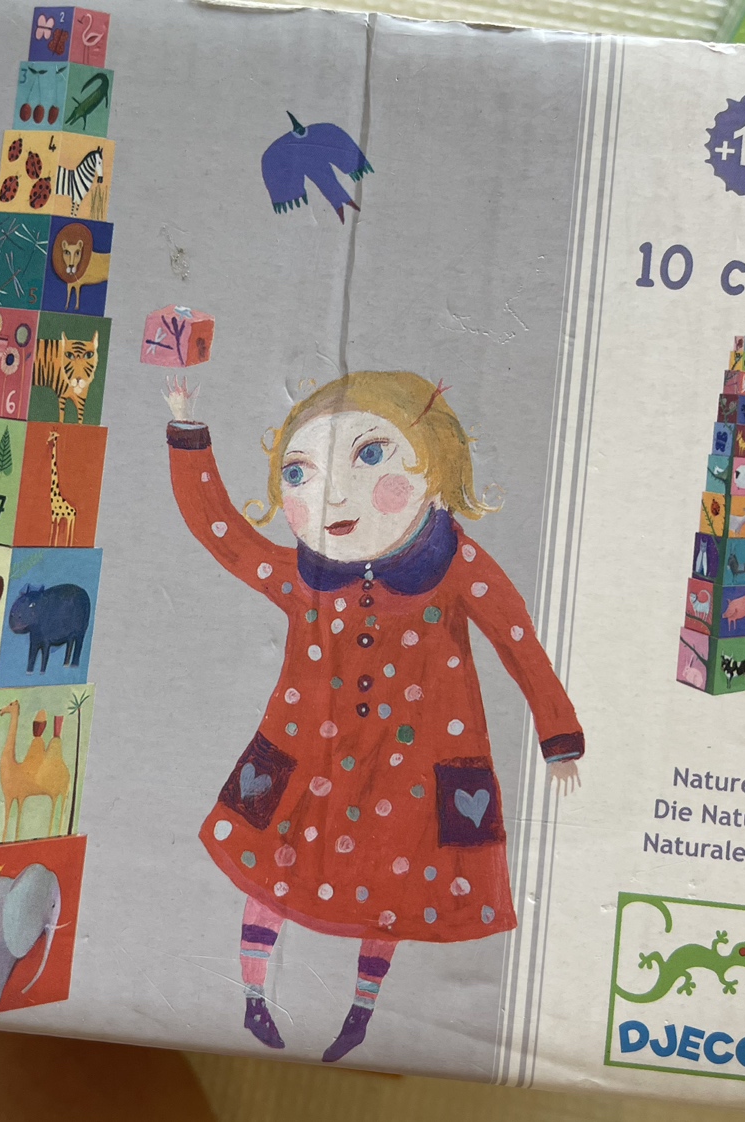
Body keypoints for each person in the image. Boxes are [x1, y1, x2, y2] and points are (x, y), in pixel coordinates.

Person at [164, 369, 584, 1063]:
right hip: (304, 758)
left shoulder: (456, 563)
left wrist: (557, 734)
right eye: (300, 472)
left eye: (369, 455)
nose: (335, 494)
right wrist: (187, 430)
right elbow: (224, 535)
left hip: (410, 767)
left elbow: (517, 639)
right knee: (272, 870)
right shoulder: (304, 575)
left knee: (395, 882)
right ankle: (254, 995)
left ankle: (360, 1014)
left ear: (436, 468)